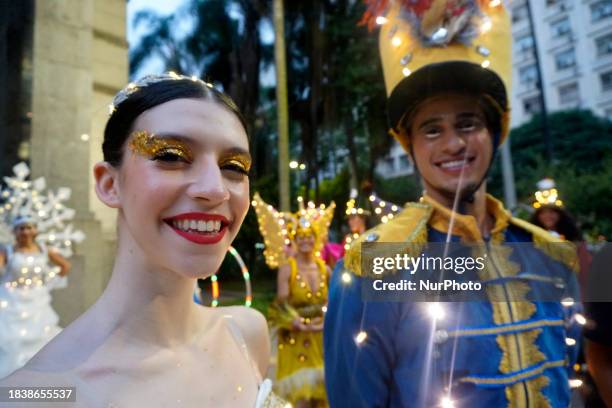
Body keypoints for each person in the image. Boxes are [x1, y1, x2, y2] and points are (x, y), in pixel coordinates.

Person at [324, 2, 581, 407]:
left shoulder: (550, 257)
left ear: (495, 135)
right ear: (410, 146)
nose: (453, 144)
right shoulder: (371, 269)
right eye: (431, 129)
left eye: (468, 123)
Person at [0, 73, 287, 407]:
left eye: (234, 166)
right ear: (109, 183)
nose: (215, 189)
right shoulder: (37, 394)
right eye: (170, 156)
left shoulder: (247, 334)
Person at [253, 193, 333, 408]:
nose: (306, 240)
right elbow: (280, 304)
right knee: (300, 398)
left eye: (310, 236)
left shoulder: (324, 269)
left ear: (316, 239)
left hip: (320, 338)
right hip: (295, 338)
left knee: (323, 395)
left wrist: (326, 320)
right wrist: (295, 322)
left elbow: (334, 302)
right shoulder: (288, 268)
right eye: (301, 236)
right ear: (295, 240)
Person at [0, 216, 71, 378]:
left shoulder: (44, 250)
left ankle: (37, 377)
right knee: (10, 339)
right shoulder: (8, 251)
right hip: (11, 301)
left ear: (35, 230)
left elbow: (65, 266)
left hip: (37, 301)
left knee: (42, 336)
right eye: (21, 228)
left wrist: (50, 283)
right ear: (15, 232)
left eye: (29, 227)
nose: (25, 231)